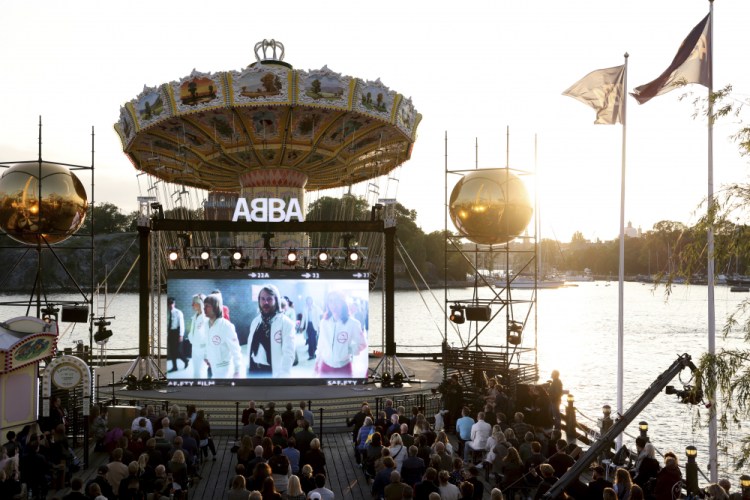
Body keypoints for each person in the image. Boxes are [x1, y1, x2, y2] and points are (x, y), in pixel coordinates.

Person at [315, 290, 367, 377]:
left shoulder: (353, 324)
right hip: (325, 366)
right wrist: (317, 361)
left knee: (344, 391)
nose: (333, 305)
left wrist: (348, 350)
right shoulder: (324, 322)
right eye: (330, 301)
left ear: (343, 303)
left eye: (336, 301)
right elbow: (321, 344)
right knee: (323, 390)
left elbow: (362, 344)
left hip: (344, 368)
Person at [248, 284, 296, 377]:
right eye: (262, 299)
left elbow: (289, 355)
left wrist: (283, 376)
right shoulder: (255, 321)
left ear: (276, 300)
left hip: (272, 372)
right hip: (253, 369)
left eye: (269, 299)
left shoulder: (286, 323)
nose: (265, 302)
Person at [203, 293, 243, 378]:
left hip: (224, 368)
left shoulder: (227, 326)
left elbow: (236, 350)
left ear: (215, 307)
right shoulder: (206, 324)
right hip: (211, 365)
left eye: (207, 306)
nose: (204, 308)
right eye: (204, 306)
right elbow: (207, 342)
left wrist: (237, 370)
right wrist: (206, 356)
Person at [188, 293, 209, 378]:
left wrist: (206, 354)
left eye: (194, 302)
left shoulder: (206, 318)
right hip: (194, 348)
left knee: (201, 373)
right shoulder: (194, 317)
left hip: (203, 349)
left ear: (200, 304)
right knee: (196, 372)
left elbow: (208, 337)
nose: (192, 304)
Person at [167, 297, 188, 373]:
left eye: (172, 303)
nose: (170, 305)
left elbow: (182, 324)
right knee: (172, 351)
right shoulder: (168, 313)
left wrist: (181, 335)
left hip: (177, 333)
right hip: (170, 333)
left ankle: (185, 360)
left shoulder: (178, 312)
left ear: (174, 304)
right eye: (169, 303)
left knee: (177, 351)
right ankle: (174, 367)